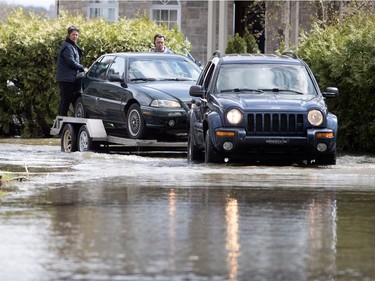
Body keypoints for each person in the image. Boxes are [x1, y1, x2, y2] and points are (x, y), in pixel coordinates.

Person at [56, 25, 85, 116]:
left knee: (66, 99)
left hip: (69, 78)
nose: (75, 36)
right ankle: (62, 118)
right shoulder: (67, 47)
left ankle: (62, 118)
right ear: (69, 35)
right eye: (73, 34)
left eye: (76, 35)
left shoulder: (72, 46)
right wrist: (82, 68)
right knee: (66, 99)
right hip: (66, 78)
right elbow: (71, 62)